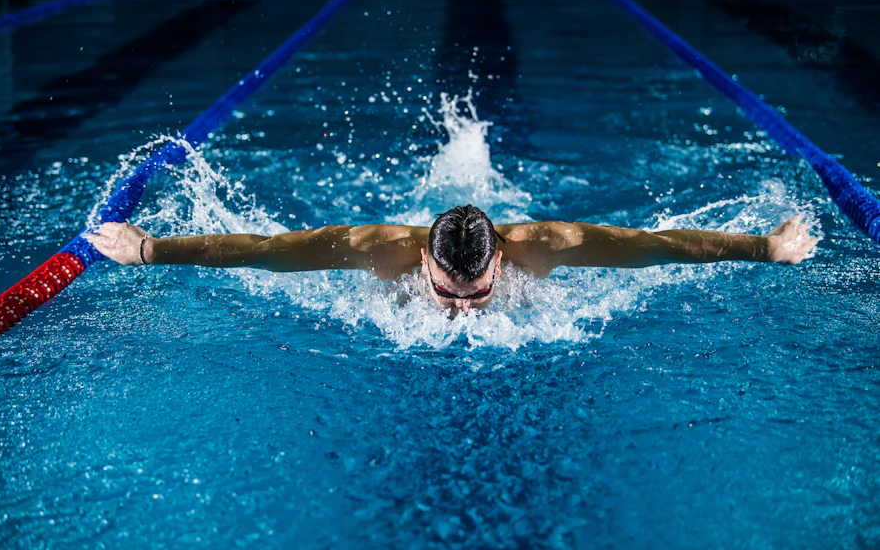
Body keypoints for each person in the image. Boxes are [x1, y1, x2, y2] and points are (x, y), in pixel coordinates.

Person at [86, 205, 818, 316]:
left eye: (475, 294)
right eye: (447, 292)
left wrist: (766, 248)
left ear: (502, 256)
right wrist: (149, 249)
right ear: (424, 263)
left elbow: (659, 246)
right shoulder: (379, 253)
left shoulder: (549, 246)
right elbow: (266, 253)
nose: (461, 310)